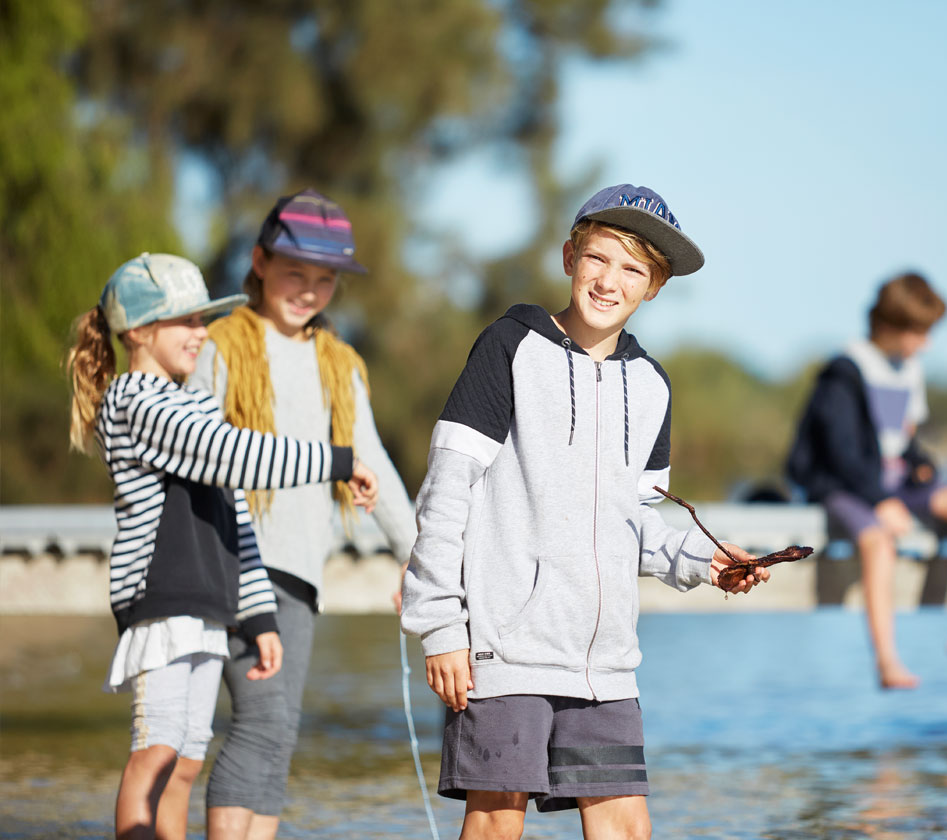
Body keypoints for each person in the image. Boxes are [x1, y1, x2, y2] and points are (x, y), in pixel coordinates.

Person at [400, 184, 768, 840]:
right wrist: (440, 628)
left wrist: (705, 560)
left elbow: (639, 522)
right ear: (570, 256)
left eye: (633, 269)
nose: (610, 280)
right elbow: (446, 490)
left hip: (605, 663)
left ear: (653, 287)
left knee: (627, 827)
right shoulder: (509, 344)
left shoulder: (652, 385)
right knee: (494, 824)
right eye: (598, 258)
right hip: (502, 650)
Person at [66, 252, 378, 840]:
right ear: (137, 331)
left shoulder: (193, 404)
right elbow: (234, 453)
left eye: (202, 321)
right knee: (155, 750)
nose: (200, 334)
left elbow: (234, 517)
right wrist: (338, 460)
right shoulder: (135, 402)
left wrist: (257, 613)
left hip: (208, 604)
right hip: (159, 600)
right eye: (185, 321)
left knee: (186, 760)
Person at [186, 189, 417, 840]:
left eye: (325, 280)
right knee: (258, 721)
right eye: (294, 272)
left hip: (300, 572)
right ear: (259, 261)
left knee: (280, 733)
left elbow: (372, 461)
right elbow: (198, 454)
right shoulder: (221, 344)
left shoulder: (340, 364)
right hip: (233, 560)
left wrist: (419, 559)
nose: (309, 290)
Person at [786, 272, 947, 690]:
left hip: (894, 482)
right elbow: (840, 452)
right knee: (876, 541)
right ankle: (887, 662)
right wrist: (879, 500)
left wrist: (921, 464)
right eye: (919, 332)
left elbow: (902, 438)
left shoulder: (910, 369)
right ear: (889, 326)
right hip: (845, 484)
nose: (925, 343)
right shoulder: (845, 371)